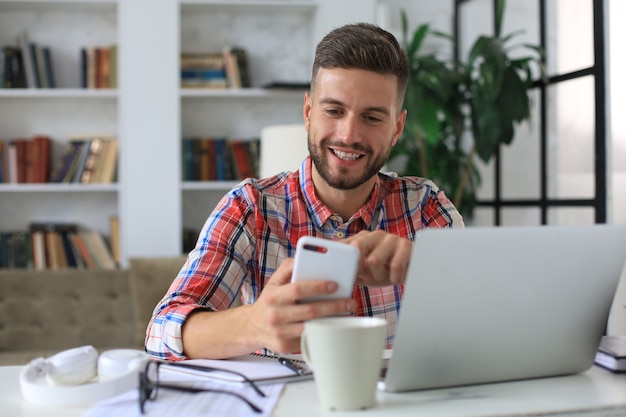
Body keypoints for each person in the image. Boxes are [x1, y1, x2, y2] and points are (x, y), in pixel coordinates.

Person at [146, 22, 464, 361]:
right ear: (309, 111)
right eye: (334, 110)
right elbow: (161, 331)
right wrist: (255, 323)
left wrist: (426, 270)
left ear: (397, 127)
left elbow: (485, 317)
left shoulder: (426, 208)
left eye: (372, 118)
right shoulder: (250, 207)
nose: (349, 135)